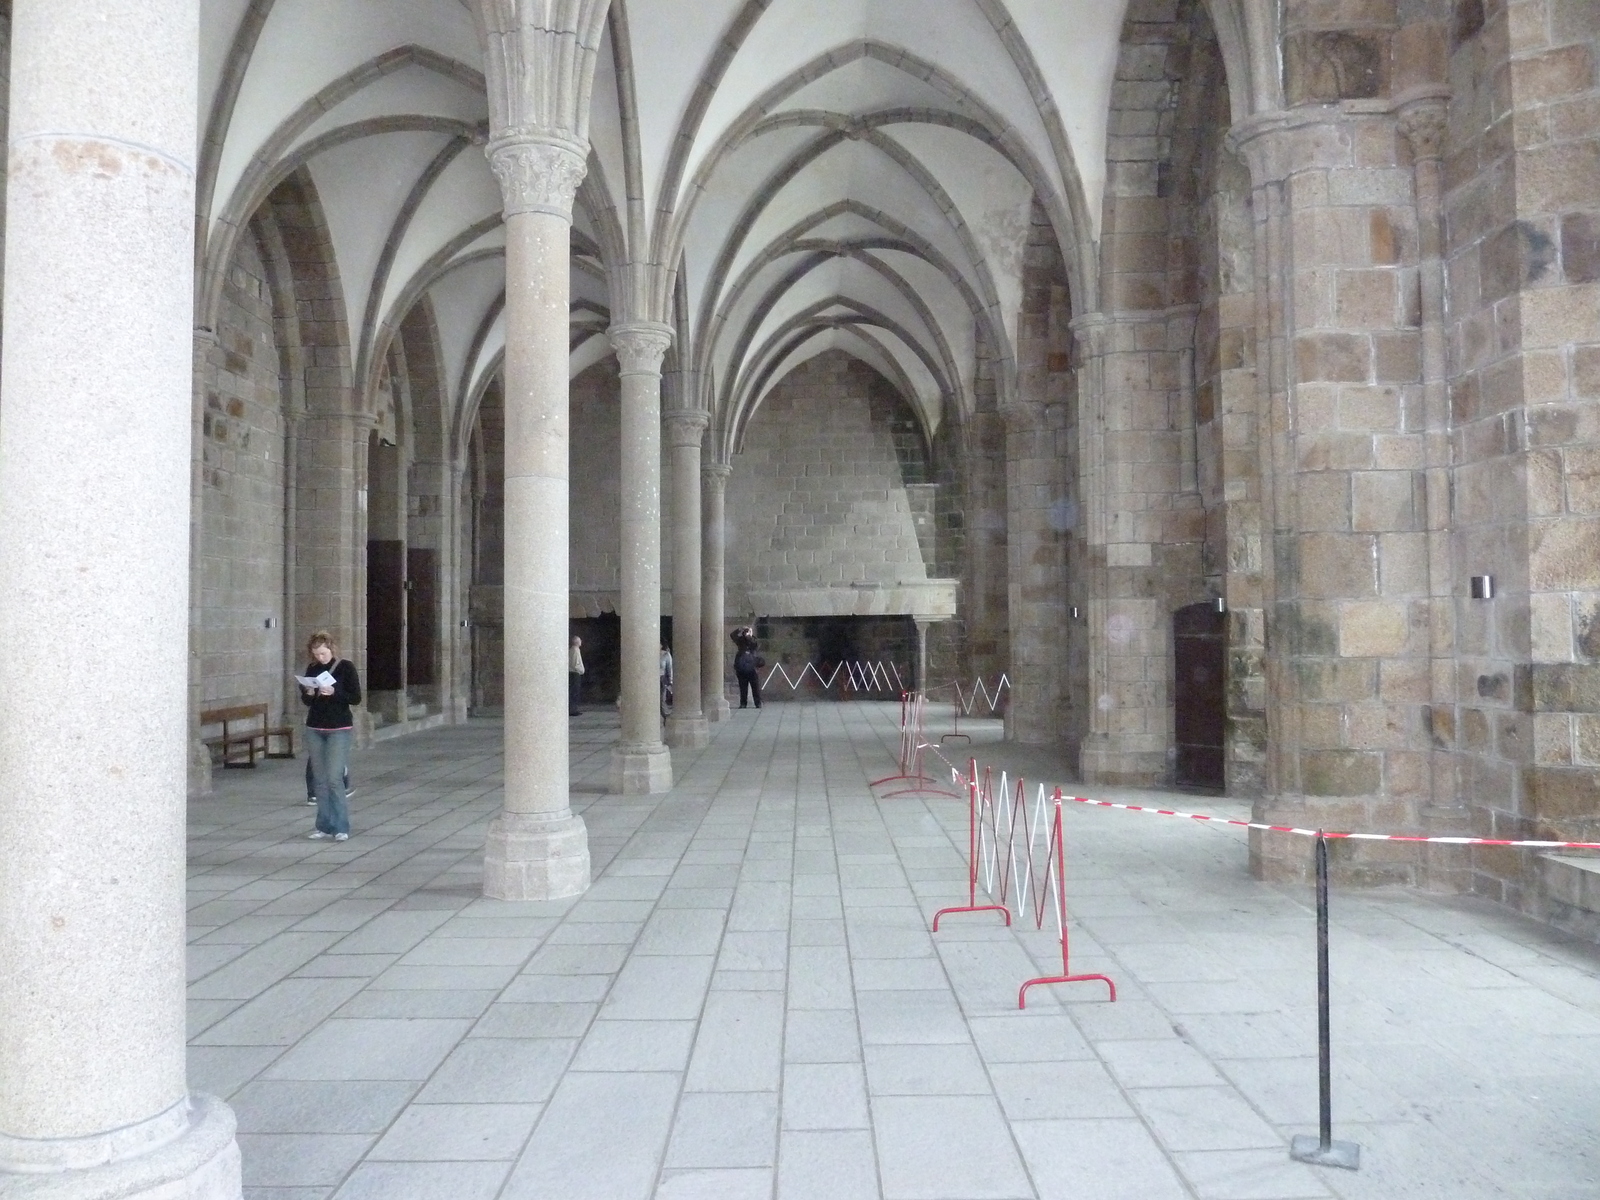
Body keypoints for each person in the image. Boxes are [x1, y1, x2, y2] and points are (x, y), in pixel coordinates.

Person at [300, 631, 361, 842]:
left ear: (331, 649)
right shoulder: (312, 669)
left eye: (324, 654)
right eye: (316, 654)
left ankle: (341, 826)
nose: (320, 658)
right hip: (315, 726)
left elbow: (356, 698)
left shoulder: (345, 667)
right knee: (320, 780)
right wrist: (308, 692)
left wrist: (334, 693)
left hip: (339, 728)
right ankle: (323, 825)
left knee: (334, 778)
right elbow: (308, 702)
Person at [732, 625, 763, 710]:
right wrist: (740, 629)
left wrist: (750, 635)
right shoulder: (740, 641)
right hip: (741, 667)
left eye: (747, 632)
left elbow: (755, 644)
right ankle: (743, 703)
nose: (746, 633)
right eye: (745, 632)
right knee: (743, 687)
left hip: (752, 667)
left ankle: (758, 703)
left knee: (755, 686)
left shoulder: (753, 641)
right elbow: (732, 635)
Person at [569, 634, 584, 716]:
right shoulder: (575, 650)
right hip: (575, 673)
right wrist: (580, 670)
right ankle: (573, 709)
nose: (581, 642)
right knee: (574, 692)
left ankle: (574, 708)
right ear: (577, 642)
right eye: (580, 640)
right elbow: (575, 663)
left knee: (574, 692)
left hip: (574, 673)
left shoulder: (574, 649)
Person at [660, 641, 674, 719]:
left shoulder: (666, 655)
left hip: (662, 680)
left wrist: (670, 681)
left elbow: (669, 669)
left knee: (662, 699)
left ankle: (665, 717)